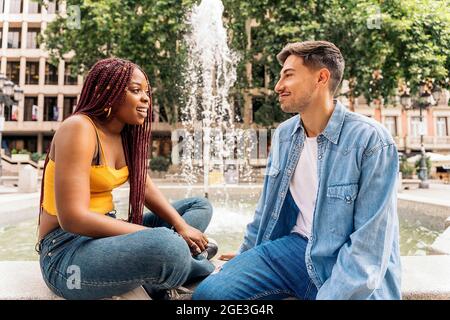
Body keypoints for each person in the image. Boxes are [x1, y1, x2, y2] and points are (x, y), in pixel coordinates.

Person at [193, 41, 401, 300]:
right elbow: (265, 210)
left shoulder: (371, 140)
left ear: (321, 78)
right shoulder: (284, 135)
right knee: (209, 296)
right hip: (296, 248)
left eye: (288, 75)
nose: (278, 86)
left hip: (345, 260)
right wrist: (249, 255)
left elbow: (369, 246)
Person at [36, 57, 216, 300]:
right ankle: (196, 266)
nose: (145, 99)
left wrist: (182, 227)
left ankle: (176, 264)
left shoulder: (125, 136)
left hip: (106, 232)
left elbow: (146, 190)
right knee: (168, 246)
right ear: (106, 92)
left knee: (198, 206)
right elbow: (73, 219)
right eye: (135, 91)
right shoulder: (79, 128)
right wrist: (153, 236)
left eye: (146, 93)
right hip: (66, 253)